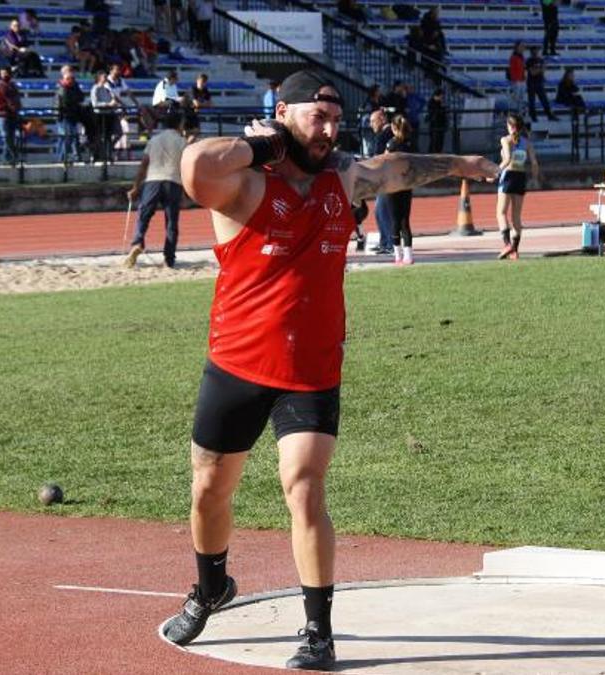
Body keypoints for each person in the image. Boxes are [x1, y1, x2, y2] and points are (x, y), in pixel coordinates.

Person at [162, 69, 498, 671]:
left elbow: (395, 168)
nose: (330, 128)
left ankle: (319, 631)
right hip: (236, 362)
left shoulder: (341, 177)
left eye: (336, 118)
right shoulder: (243, 183)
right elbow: (193, 167)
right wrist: (265, 145)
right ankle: (210, 585)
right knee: (210, 489)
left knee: (304, 486)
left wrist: (461, 162)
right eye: (317, 116)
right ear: (283, 112)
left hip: (311, 366)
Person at [124, 110, 187, 268]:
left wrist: (135, 187)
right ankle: (169, 258)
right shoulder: (182, 142)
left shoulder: (155, 140)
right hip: (173, 181)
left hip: (153, 180)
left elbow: (144, 164)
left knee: (143, 215)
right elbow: (186, 167)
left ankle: (137, 242)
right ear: (179, 124)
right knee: (171, 222)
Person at [495, 112, 540, 261]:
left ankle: (507, 244)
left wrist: (493, 172)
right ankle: (515, 250)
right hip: (521, 178)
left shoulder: (505, 140)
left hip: (508, 177)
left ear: (510, 126)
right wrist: (534, 179)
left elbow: (507, 159)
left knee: (501, 213)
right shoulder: (527, 143)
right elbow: (534, 163)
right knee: (516, 217)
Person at [386, 115, 416, 265]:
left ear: (394, 128)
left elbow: (384, 162)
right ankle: (409, 255)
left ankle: (398, 256)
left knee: (394, 220)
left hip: (393, 185)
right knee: (405, 220)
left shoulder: (392, 144)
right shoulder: (410, 143)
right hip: (407, 184)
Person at [369, 107, 394, 256]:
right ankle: (385, 242)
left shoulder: (386, 134)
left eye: (373, 121)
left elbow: (381, 157)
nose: (371, 124)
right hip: (383, 178)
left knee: (383, 211)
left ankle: (389, 243)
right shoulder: (385, 134)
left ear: (382, 119)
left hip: (386, 179)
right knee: (380, 211)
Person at [55, 65, 87, 163]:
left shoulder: (74, 87)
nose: (72, 80)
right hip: (65, 116)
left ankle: (73, 157)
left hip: (73, 116)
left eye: (72, 78)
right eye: (70, 79)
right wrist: (76, 100)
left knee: (72, 137)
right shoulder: (63, 89)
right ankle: (62, 159)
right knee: (67, 138)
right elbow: (66, 102)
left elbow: (81, 97)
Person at [0, 67, 22, 166]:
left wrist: (17, 107)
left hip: (13, 114)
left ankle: (8, 158)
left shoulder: (12, 85)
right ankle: (8, 157)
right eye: (3, 73)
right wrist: (11, 106)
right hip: (3, 114)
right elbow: (3, 99)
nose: (5, 75)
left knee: (10, 137)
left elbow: (17, 98)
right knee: (6, 137)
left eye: (7, 73)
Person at [526, 46, 557, 122]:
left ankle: (549, 115)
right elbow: (532, 72)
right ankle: (533, 117)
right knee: (532, 102)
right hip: (531, 84)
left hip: (539, 83)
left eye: (537, 51)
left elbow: (542, 71)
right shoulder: (529, 61)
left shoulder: (541, 60)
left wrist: (540, 70)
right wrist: (540, 69)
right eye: (535, 51)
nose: (536, 52)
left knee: (544, 100)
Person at [507, 41, 527, 116]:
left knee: (521, 97)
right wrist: (514, 79)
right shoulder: (514, 57)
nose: (522, 48)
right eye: (521, 46)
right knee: (516, 97)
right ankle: (513, 112)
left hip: (522, 79)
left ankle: (519, 112)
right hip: (516, 80)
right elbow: (512, 69)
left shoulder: (521, 57)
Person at [427, 88, 447, 153]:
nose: (442, 97)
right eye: (441, 96)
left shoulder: (440, 103)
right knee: (434, 141)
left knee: (440, 141)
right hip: (435, 124)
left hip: (441, 124)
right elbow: (434, 113)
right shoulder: (431, 102)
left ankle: (439, 152)